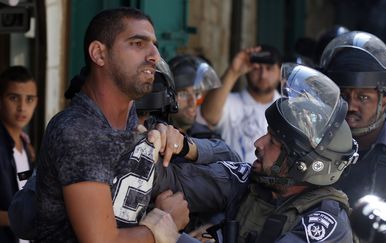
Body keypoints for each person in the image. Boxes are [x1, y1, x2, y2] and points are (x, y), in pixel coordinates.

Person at [36, 7, 250, 243]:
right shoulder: (81, 132)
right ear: (99, 54)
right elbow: (102, 241)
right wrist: (164, 222)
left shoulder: (133, 126)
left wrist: (183, 145)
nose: (154, 55)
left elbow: (230, 169)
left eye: (154, 44)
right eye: (137, 43)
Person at [193, 64, 358, 243]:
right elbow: (178, 179)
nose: (258, 143)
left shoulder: (326, 224)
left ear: (300, 166)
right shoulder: (257, 186)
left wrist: (174, 238)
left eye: (273, 142)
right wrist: (180, 145)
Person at [320, 31, 386, 205]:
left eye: (363, 97)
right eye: (343, 96)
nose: (351, 106)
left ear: (384, 101)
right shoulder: (314, 149)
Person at [201, 44, 282, 163]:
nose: (263, 75)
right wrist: (234, 71)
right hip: (234, 179)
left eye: (269, 68)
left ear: (281, 72)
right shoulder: (230, 102)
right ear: (247, 71)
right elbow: (208, 115)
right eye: (256, 68)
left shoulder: (287, 108)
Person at [0, 66, 38, 243]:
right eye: (13, 98)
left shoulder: (25, 146)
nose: (22, 107)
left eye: (29, 99)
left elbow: (21, 181)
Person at [168, 54, 221, 139]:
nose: (193, 103)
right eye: (183, 94)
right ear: (167, 96)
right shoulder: (152, 135)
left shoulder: (208, 138)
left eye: (196, 93)